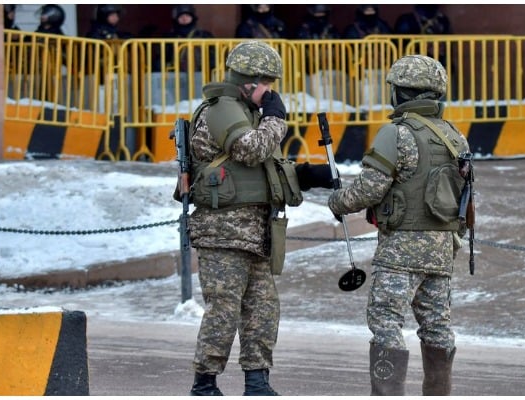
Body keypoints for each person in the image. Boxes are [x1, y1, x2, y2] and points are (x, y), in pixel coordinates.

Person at [186, 40, 333, 396]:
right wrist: (275, 119)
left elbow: (263, 171)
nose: (272, 91)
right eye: (267, 82)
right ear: (248, 81)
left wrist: (307, 176)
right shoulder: (221, 109)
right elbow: (250, 150)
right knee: (224, 311)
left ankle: (257, 381)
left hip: (256, 232)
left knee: (263, 312)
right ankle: (205, 383)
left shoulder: (248, 113)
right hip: (223, 232)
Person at [328, 54, 470, 396]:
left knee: (386, 322)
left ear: (402, 93)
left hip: (399, 251)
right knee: (437, 327)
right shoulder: (455, 137)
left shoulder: (395, 133)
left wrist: (338, 202)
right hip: (441, 249)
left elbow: (370, 189)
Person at [157, 5, 215, 72]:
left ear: (192, 18)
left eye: (187, 16)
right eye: (181, 16)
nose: (184, 18)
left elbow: (213, 56)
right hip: (174, 74)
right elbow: (161, 57)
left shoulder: (203, 35)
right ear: (176, 19)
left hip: (200, 73)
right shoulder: (170, 36)